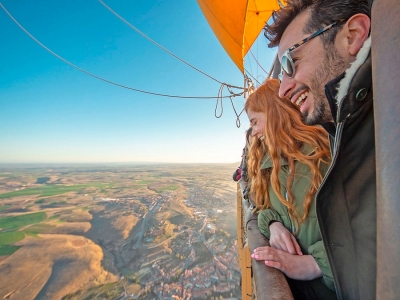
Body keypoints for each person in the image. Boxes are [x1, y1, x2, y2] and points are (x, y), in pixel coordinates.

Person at [264, 1, 375, 299]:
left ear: (352, 35)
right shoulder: (346, 129)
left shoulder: (378, 124)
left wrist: (316, 265)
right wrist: (273, 224)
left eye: (290, 63)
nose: (282, 91)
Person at [245, 79, 335, 299]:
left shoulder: (325, 154)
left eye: (255, 122)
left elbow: (366, 223)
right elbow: (262, 206)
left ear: (274, 112)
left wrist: (314, 265)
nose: (254, 132)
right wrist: (273, 224)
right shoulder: (269, 166)